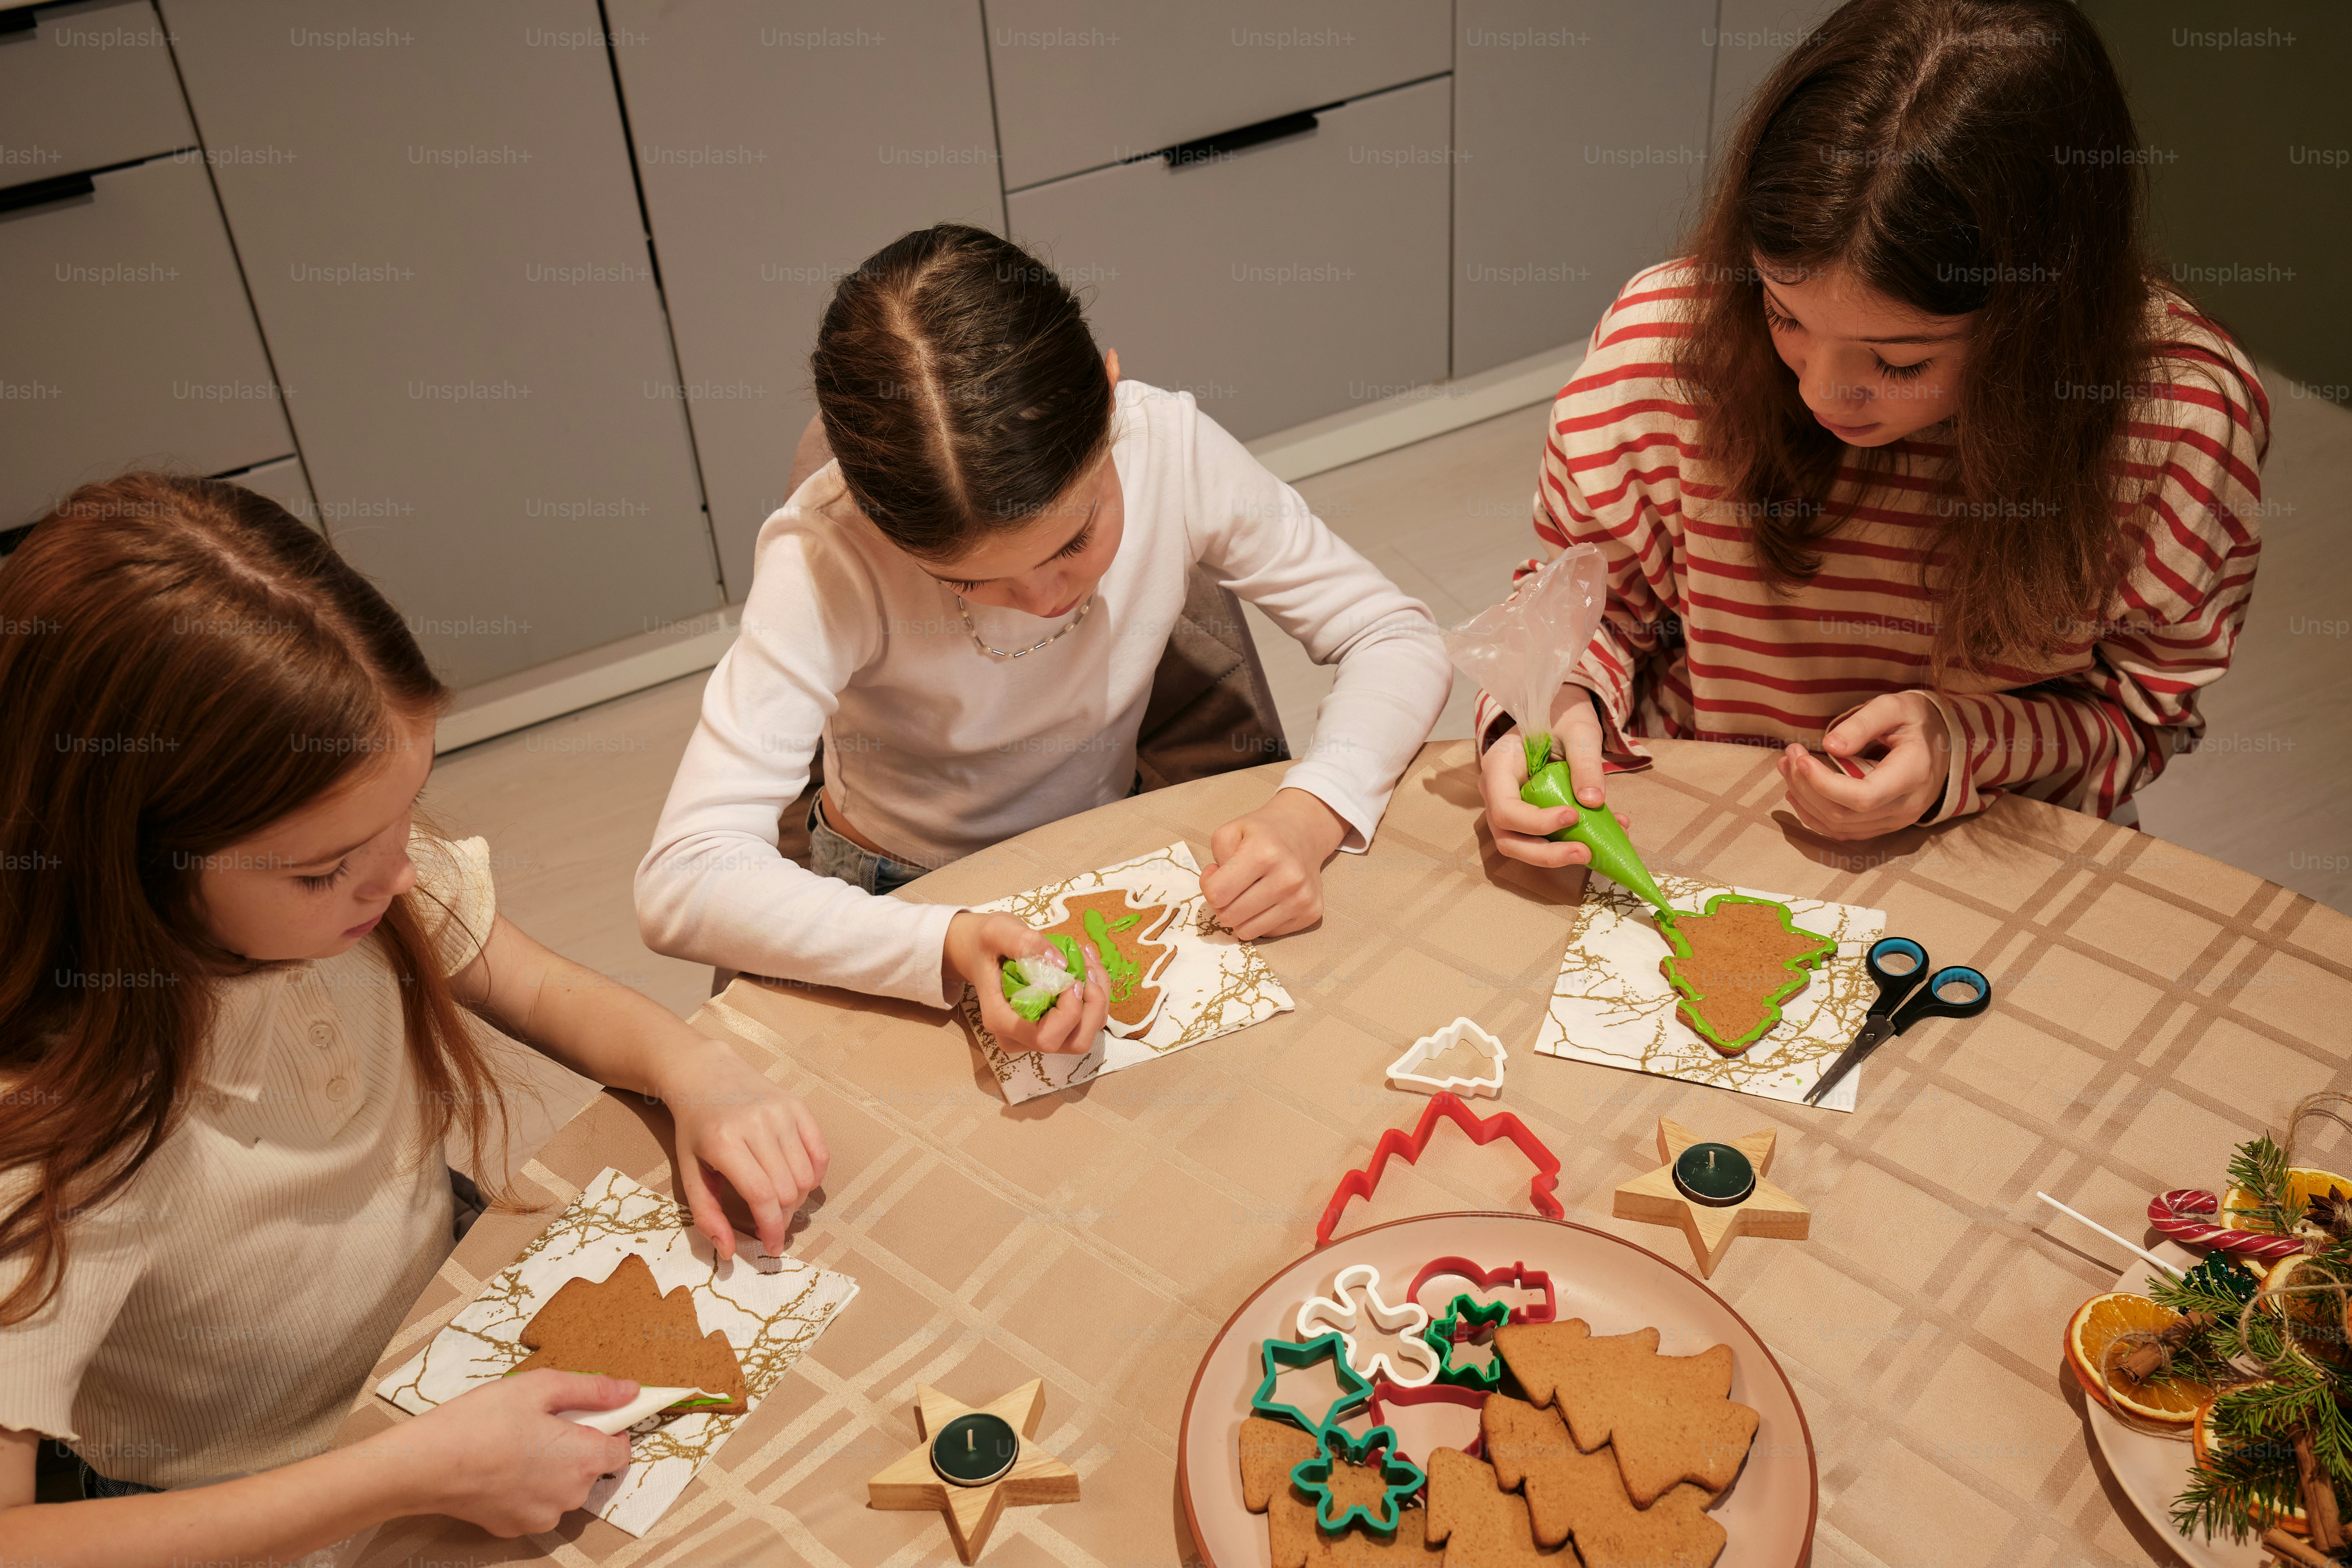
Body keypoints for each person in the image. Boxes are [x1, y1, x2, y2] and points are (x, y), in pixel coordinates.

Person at [0, 476, 829, 1560]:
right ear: (135, 869)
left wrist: (695, 1068)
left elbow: (534, 986)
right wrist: (402, 1471)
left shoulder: (367, 879)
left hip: (443, 1320)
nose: (397, 880)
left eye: (407, 813)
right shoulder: (50, 1134)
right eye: (325, 870)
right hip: (265, 1502)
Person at [1477, 0, 2266, 869]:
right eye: (1783, 316)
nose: (1822, 391)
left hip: (1994, 847)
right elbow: (1582, 606)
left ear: (2042, 322)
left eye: (1896, 361)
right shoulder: (1666, 351)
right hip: (1693, 817)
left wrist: (1968, 741)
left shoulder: (2169, 427)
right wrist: (1548, 704)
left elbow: (2143, 715)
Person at [635, 224, 1453, 1050]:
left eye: (1074, 541)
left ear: (1109, 391)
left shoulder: (1168, 445)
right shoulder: (827, 552)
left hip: (1107, 842)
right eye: (972, 581)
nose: (1044, 598)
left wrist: (1313, 811)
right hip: (901, 896)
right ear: (876, 519)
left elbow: (1394, 634)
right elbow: (685, 878)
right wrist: (943, 940)